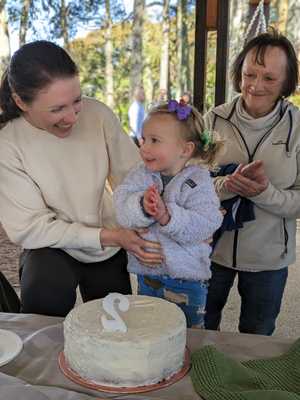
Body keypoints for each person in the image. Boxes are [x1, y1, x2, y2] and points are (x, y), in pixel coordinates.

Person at [0, 40, 163, 317]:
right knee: (43, 312)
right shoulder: (7, 143)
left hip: (108, 242)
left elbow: (133, 176)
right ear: (20, 102)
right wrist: (109, 236)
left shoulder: (97, 114)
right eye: (57, 109)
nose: (72, 116)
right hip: (50, 245)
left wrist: (154, 210)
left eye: (76, 101)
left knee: (117, 319)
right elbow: (30, 228)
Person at [204, 29, 300, 335]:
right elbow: (187, 185)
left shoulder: (298, 127)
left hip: (269, 257)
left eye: (269, 78)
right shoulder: (213, 120)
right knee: (198, 330)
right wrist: (225, 186)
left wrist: (264, 193)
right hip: (208, 249)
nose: (256, 86)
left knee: (258, 338)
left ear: (287, 81)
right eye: (249, 74)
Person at [114, 100, 223, 328]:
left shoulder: (198, 181)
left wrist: (167, 217)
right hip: (148, 275)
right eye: (144, 139)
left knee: (186, 333)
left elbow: (207, 222)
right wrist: (141, 206)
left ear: (185, 149)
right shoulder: (139, 174)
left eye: (155, 141)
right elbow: (122, 207)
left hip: (187, 280)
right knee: (147, 329)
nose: (144, 147)